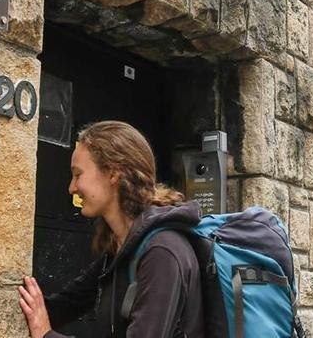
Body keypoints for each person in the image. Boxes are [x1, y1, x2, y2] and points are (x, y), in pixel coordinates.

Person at [18, 121, 205, 338]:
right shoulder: (122, 248)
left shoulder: (162, 252)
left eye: (78, 175)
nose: (72, 188)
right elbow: (64, 305)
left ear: (113, 174)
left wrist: (46, 335)